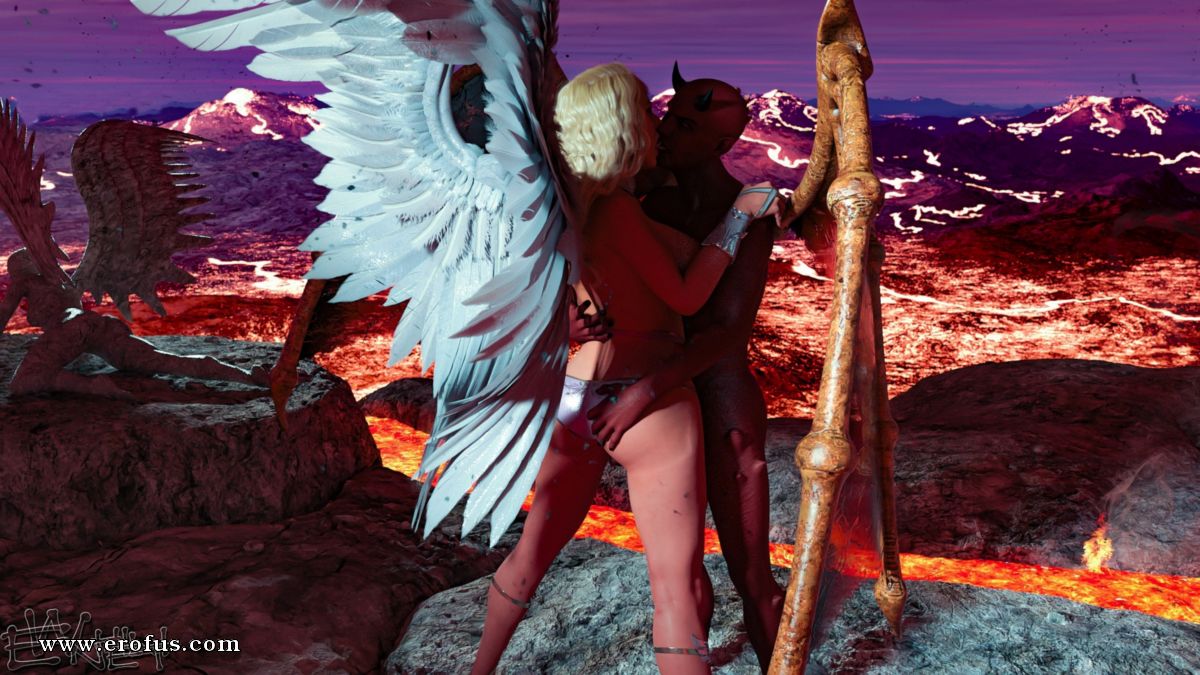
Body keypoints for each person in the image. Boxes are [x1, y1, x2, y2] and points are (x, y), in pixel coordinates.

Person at [470, 63, 778, 675]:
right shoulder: (619, 209)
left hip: (573, 398)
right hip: (646, 401)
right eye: (652, 114)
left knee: (531, 555)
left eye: (679, 121)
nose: (659, 125)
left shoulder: (569, 203)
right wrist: (739, 220)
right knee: (676, 590)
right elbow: (688, 299)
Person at [587, 65, 785, 671]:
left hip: (715, 395)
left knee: (751, 575)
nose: (668, 130)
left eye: (687, 125)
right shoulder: (650, 198)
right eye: (668, 117)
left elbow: (726, 331)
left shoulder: (746, 213)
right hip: (663, 394)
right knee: (681, 571)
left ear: (723, 143)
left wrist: (644, 390)